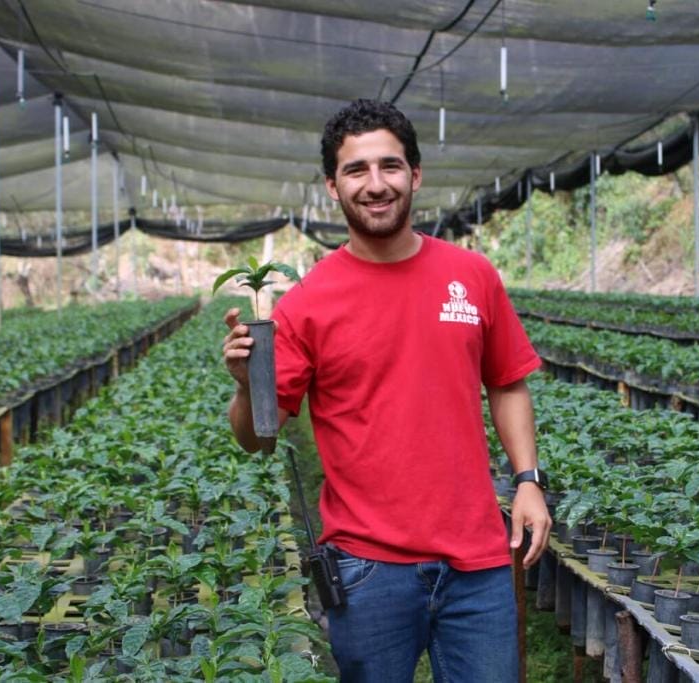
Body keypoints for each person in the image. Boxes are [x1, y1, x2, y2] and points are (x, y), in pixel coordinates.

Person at [221, 98, 551, 682]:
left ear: (415, 175)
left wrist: (527, 480)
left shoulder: (472, 276)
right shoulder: (307, 305)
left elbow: (506, 383)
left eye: (389, 166)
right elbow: (258, 440)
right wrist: (250, 388)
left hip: (477, 561)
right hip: (366, 568)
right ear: (332, 185)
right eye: (356, 170)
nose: (376, 184)